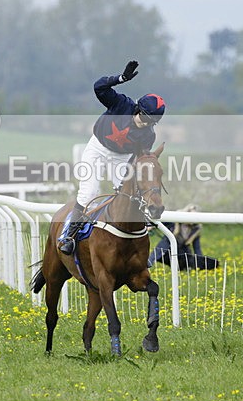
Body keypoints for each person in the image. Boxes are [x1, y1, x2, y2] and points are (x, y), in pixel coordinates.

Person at [57, 60, 166, 255]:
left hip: (121, 158)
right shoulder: (121, 104)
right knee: (89, 192)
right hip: (97, 148)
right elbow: (99, 87)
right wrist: (121, 78)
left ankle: (136, 237)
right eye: (145, 119)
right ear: (138, 109)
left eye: (152, 122)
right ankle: (68, 236)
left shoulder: (148, 135)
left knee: (129, 195)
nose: (146, 125)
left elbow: (139, 160)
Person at [147, 204, 219, 270]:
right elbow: (160, 222)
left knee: (188, 263)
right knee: (155, 256)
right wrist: (151, 226)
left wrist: (201, 262)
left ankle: (186, 267)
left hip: (181, 253)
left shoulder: (196, 230)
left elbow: (197, 249)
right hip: (167, 250)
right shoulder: (175, 221)